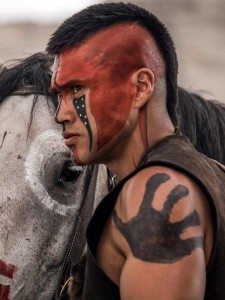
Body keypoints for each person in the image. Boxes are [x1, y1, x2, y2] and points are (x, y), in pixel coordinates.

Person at [47, 3, 225, 299]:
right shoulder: (214, 173)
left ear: (141, 88)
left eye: (77, 89)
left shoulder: (154, 199)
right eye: (59, 95)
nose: (62, 114)